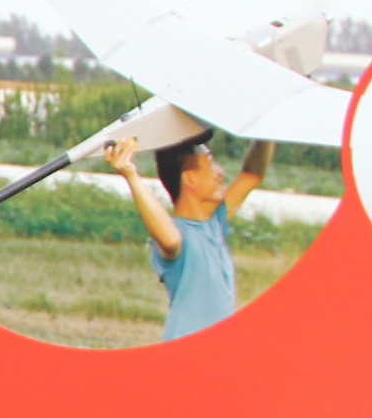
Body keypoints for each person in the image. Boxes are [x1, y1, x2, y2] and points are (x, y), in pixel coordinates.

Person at [109, 130, 274, 342]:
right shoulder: (178, 233)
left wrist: (268, 126)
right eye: (211, 164)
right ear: (190, 179)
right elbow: (170, 240)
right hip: (186, 351)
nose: (220, 171)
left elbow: (253, 174)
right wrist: (131, 175)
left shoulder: (214, 223)